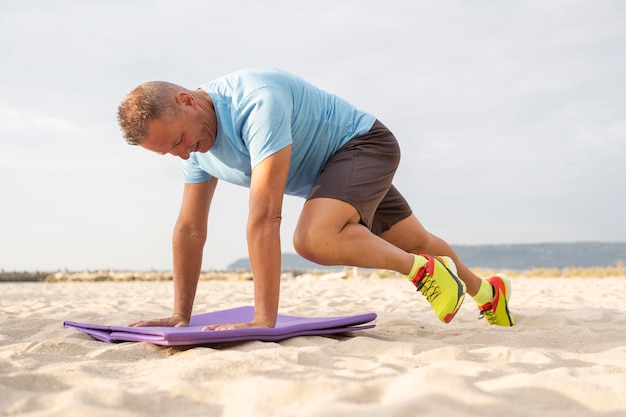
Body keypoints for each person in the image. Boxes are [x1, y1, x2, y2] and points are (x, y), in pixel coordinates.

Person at [117, 67, 514, 330]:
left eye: (178, 141)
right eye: (171, 152)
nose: (184, 153)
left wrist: (263, 320)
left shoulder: (255, 102)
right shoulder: (197, 149)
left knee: (312, 238)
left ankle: (422, 271)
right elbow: (189, 230)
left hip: (362, 145)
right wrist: (179, 315)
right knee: (416, 241)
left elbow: (265, 216)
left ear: (187, 100)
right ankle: (488, 294)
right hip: (331, 178)